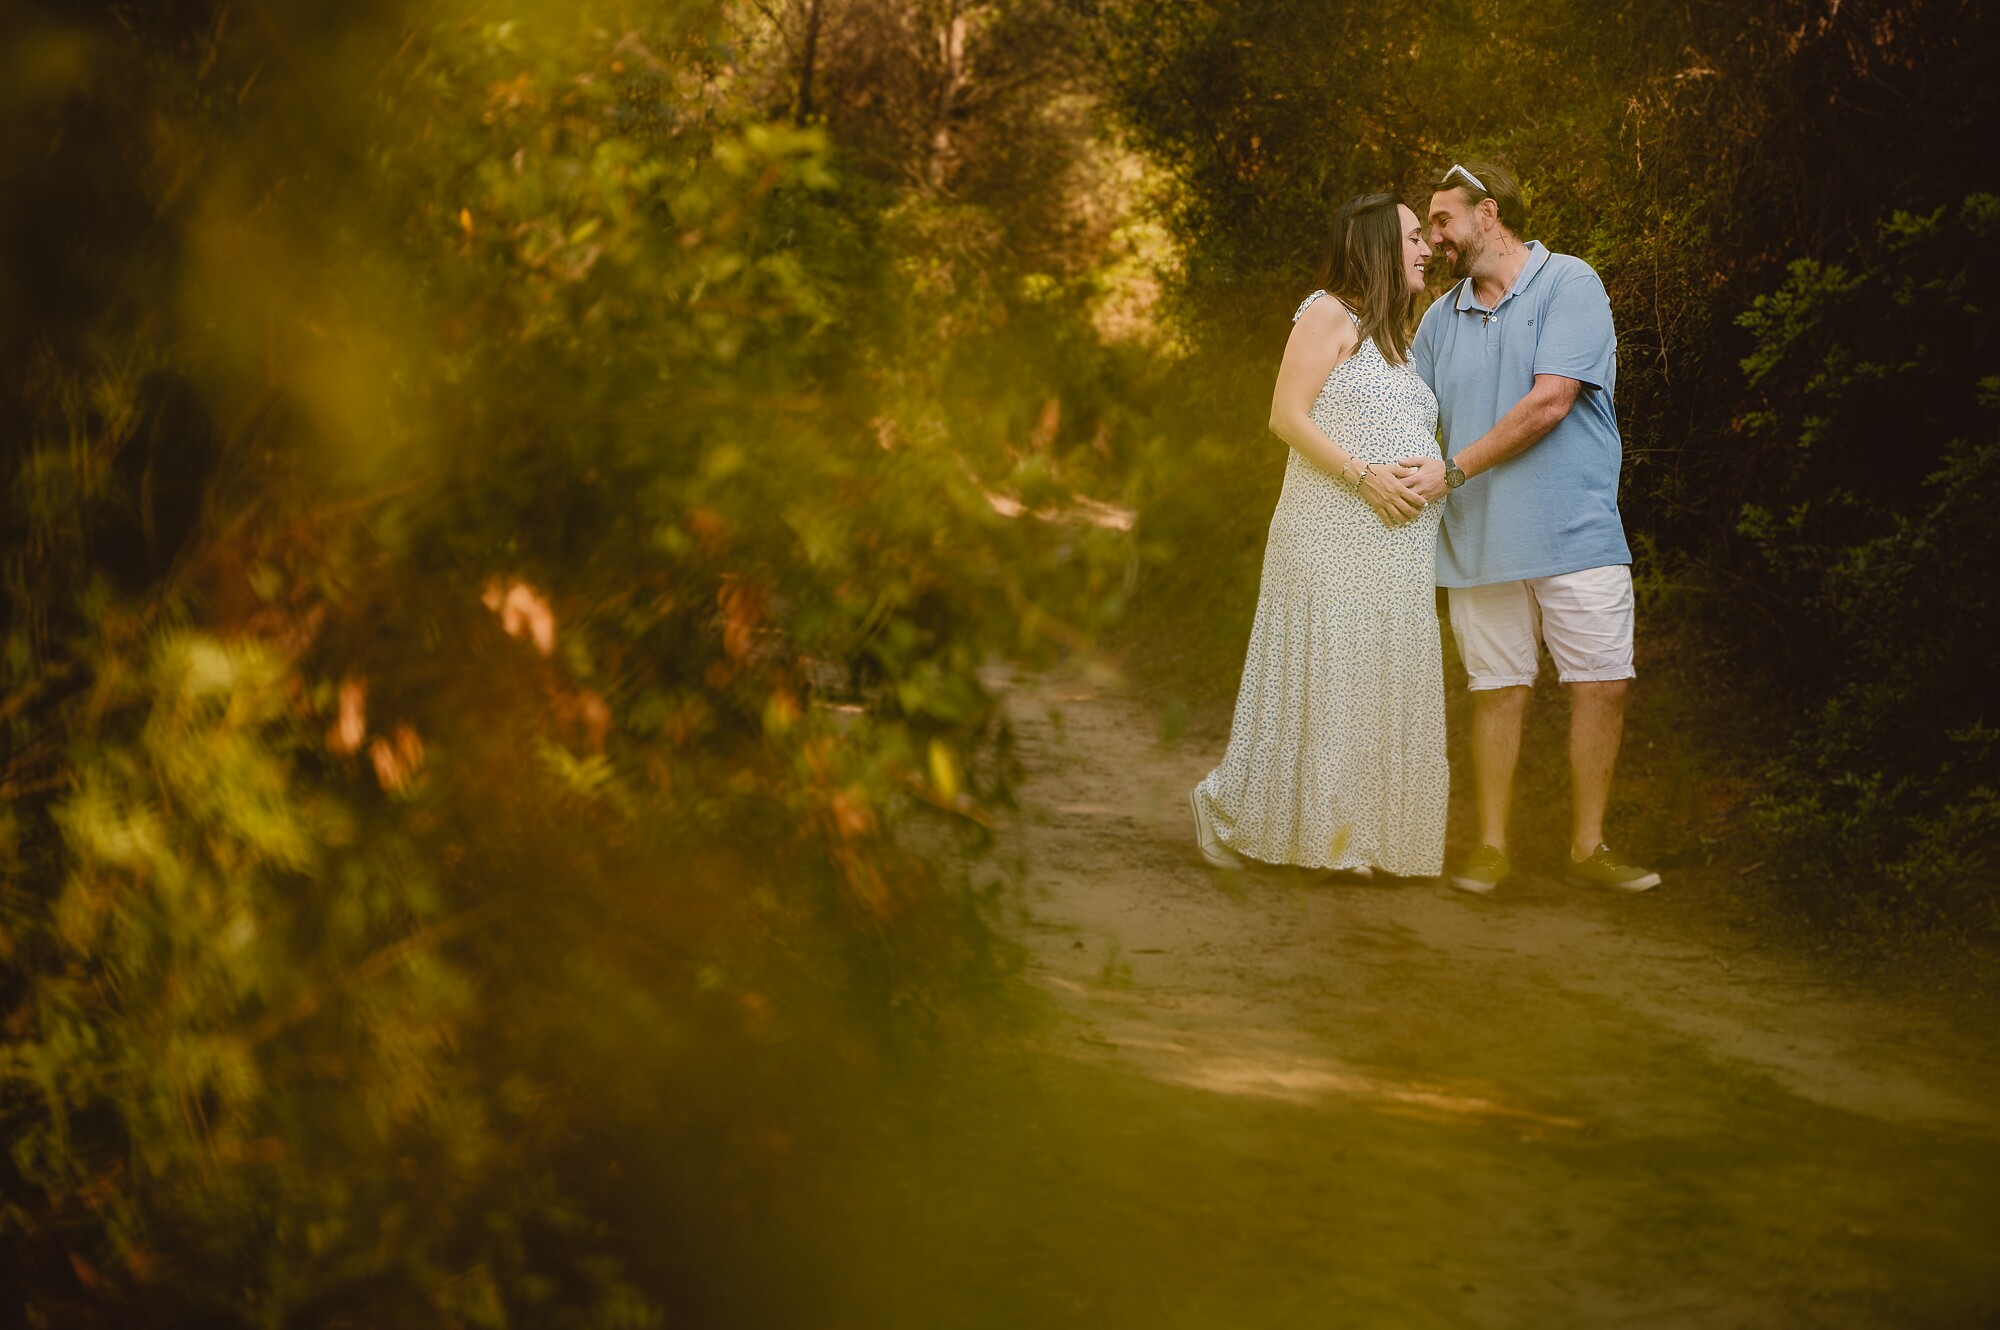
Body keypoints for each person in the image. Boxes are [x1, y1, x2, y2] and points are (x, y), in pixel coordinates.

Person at [1396, 161, 1660, 894]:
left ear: (1487, 214)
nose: (1435, 236)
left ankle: (1588, 848)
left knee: (1602, 683)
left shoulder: (1570, 283)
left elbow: (1551, 403)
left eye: (1442, 220)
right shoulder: (1438, 320)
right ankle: (1490, 847)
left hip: (1576, 531)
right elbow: (1406, 413)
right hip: (1479, 541)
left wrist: (1451, 470)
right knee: (1498, 689)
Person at [1189, 193, 1447, 878]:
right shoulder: (1330, 312)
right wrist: (1364, 475)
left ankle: (1350, 840)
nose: (1428, 248)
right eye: (1415, 236)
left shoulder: (1401, 344)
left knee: (1364, 690)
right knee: (1321, 681)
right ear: (1378, 247)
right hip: (1328, 532)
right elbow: (1285, 415)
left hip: (1391, 550)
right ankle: (1223, 809)